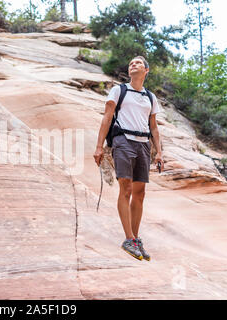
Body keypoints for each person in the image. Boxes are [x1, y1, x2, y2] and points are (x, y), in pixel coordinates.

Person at [93, 56, 164, 261]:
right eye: (131, 63)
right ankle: (129, 238)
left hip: (143, 144)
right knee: (126, 188)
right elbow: (107, 118)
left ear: (146, 70)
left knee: (140, 192)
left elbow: (154, 126)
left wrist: (158, 151)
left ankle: (135, 238)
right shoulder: (119, 90)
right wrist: (99, 147)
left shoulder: (150, 97)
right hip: (123, 140)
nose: (133, 65)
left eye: (138, 63)